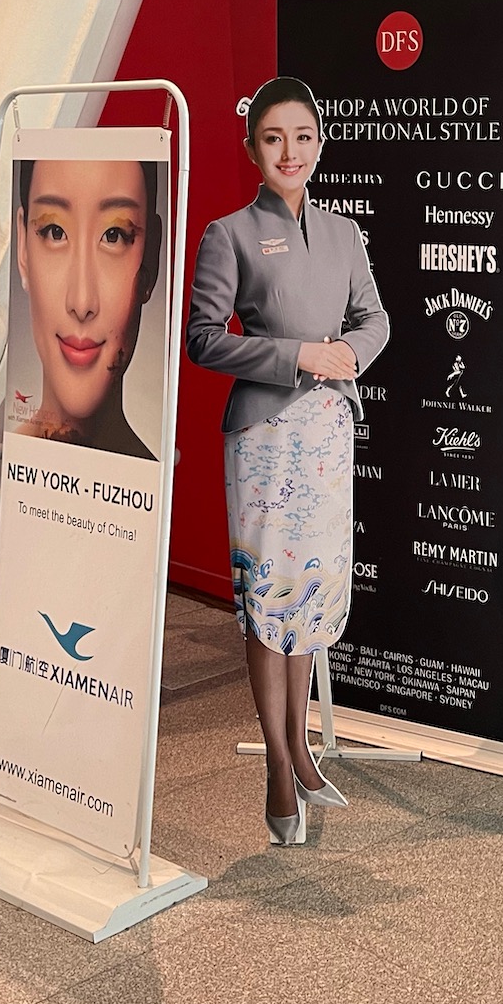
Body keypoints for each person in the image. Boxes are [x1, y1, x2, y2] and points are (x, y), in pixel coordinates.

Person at [186, 76, 389, 847]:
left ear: (320, 142)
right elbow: (204, 337)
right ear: (251, 150)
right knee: (267, 599)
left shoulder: (344, 232)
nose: (290, 151)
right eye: (274, 139)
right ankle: (276, 759)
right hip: (265, 438)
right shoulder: (228, 233)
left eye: (303, 136)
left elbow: (376, 317)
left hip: (330, 432)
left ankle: (300, 743)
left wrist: (346, 358)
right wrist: (300, 353)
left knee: (309, 594)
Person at [12, 155, 162, 461]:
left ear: (152, 257)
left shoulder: (157, 498)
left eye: (114, 235)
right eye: (55, 231)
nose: (81, 303)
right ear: (23, 249)